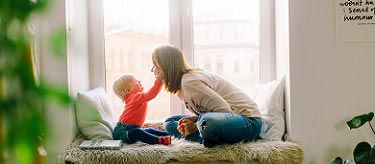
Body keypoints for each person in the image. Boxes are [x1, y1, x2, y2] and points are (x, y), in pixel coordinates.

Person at [151, 45, 262, 147]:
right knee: (170, 122)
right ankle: (209, 139)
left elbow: (224, 110)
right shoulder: (182, 85)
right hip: (226, 120)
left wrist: (195, 126)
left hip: (249, 122)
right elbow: (211, 112)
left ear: (166, 67)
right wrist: (195, 118)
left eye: (155, 65)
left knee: (206, 122)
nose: (152, 70)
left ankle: (207, 139)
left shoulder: (189, 82)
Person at [112, 73, 171, 145]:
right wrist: (159, 80)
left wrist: (161, 82)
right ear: (128, 90)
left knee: (149, 130)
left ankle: (168, 133)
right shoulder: (135, 97)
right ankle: (160, 140)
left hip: (129, 129)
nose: (139, 81)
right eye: (136, 81)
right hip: (122, 132)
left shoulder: (135, 97)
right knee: (138, 132)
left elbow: (150, 95)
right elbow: (151, 94)